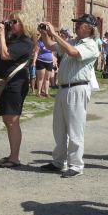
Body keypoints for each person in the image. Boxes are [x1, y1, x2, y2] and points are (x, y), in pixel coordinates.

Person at [38, 14, 100, 178]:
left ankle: (76, 165)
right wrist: (45, 33)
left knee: (75, 128)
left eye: (80, 24)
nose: (77, 26)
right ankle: (59, 161)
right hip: (64, 88)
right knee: (59, 127)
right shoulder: (73, 41)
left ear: (89, 27)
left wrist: (56, 33)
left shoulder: (91, 45)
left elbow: (73, 53)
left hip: (78, 88)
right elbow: (51, 46)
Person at [0, 12, 34, 168]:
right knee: (7, 119)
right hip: (6, 83)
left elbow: (5, 55)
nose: (11, 24)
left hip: (16, 84)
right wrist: (1, 34)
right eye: (10, 21)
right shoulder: (12, 38)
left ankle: (15, 157)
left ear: (23, 23)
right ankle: (12, 155)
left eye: (14, 21)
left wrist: (3, 34)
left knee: (12, 120)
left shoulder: (26, 42)